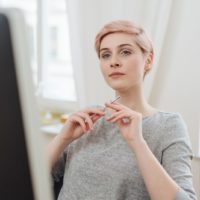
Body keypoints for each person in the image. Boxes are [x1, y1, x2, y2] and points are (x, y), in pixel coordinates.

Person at [48, 20, 197, 200]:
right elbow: (29, 179)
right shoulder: (88, 118)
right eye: (105, 55)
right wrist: (62, 139)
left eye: (125, 52)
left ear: (148, 60)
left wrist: (137, 142)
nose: (114, 62)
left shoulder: (168, 125)